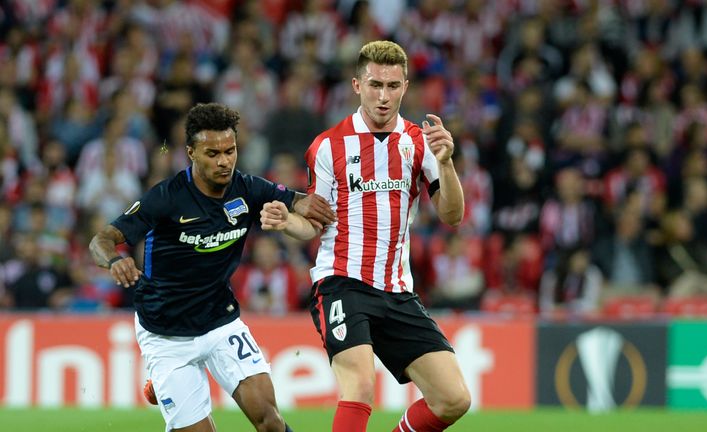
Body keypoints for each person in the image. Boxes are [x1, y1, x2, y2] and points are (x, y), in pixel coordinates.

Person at [262, 40, 471, 432]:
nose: (383, 96)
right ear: (357, 85)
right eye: (375, 84)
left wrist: (446, 164)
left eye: (393, 86)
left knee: (453, 398)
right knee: (359, 386)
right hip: (342, 281)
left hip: (396, 290)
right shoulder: (327, 146)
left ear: (405, 87)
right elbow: (314, 222)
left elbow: (453, 215)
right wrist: (286, 222)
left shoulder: (419, 143)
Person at [89, 103, 335, 432]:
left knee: (271, 422)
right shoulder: (165, 198)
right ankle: (165, 382)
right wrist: (116, 260)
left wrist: (311, 208)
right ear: (191, 152)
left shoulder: (248, 188)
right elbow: (101, 240)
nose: (224, 161)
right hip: (166, 332)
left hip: (221, 322)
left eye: (230, 151)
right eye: (212, 153)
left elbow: (301, 202)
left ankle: (165, 387)